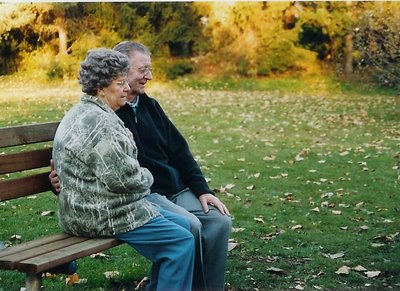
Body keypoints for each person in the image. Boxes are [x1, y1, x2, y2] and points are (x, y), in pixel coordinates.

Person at [50, 41, 232, 291]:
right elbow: (125, 180)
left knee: (187, 228)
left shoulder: (106, 110)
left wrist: (202, 189)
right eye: (120, 83)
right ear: (102, 88)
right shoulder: (102, 122)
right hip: (103, 211)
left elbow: (177, 151)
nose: (126, 88)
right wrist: (146, 176)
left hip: (110, 203)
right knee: (181, 239)